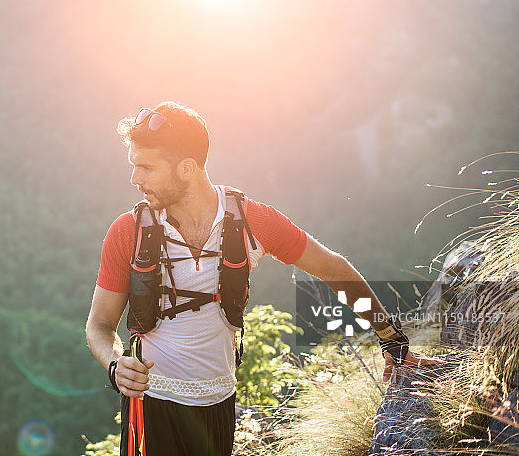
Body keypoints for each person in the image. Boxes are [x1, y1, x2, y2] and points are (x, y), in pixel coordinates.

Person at [85, 101, 439, 456]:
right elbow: (99, 325)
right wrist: (115, 364)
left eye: (146, 167)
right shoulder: (128, 232)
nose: (135, 179)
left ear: (187, 168)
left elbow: (334, 270)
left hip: (219, 406)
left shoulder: (252, 222)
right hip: (149, 409)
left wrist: (392, 339)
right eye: (134, 165)